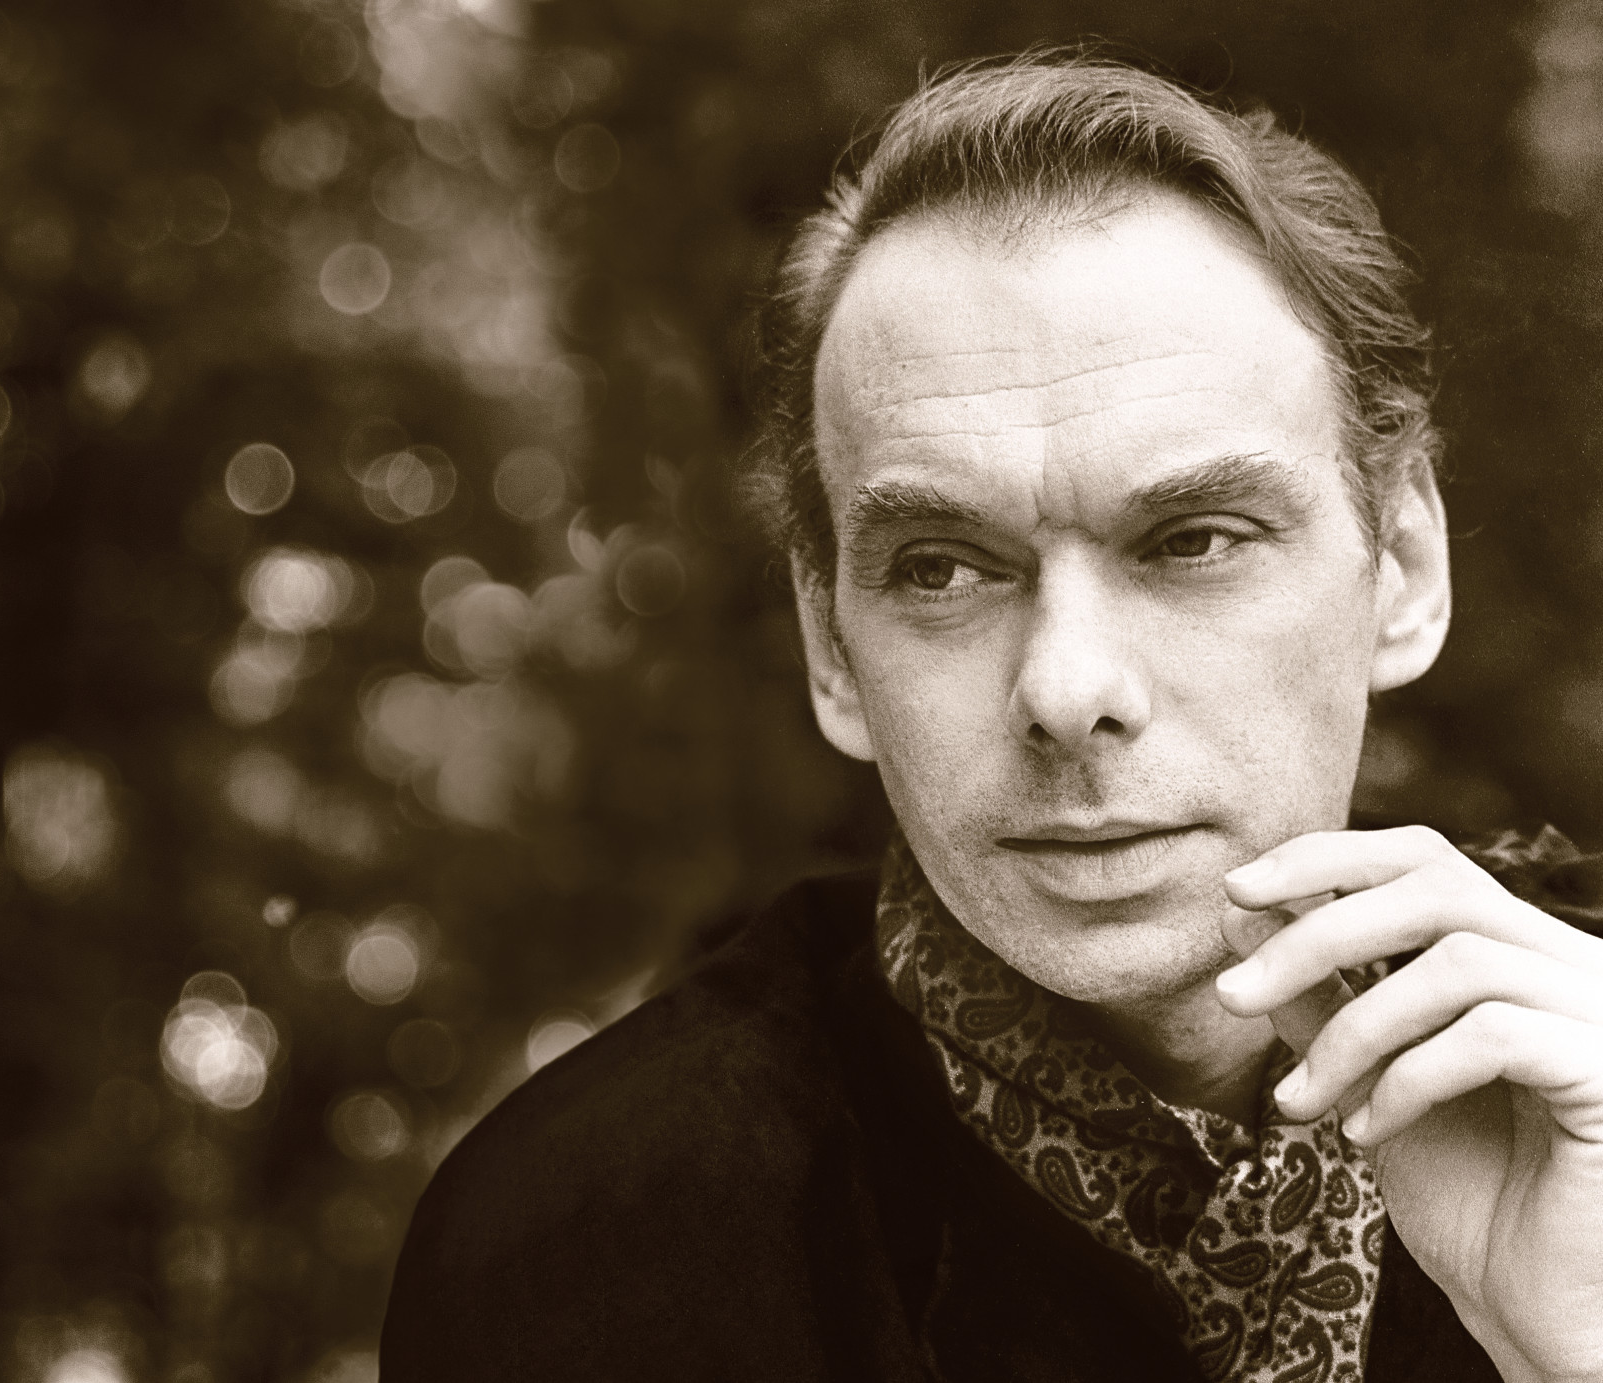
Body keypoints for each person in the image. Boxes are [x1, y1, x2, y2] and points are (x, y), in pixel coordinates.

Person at [379, 52, 1603, 1383]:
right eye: (941, 569)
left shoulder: (1583, 1095)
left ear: (1403, 568)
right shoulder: (591, 1255)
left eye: (1194, 540)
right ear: (830, 647)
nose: (1067, 691)